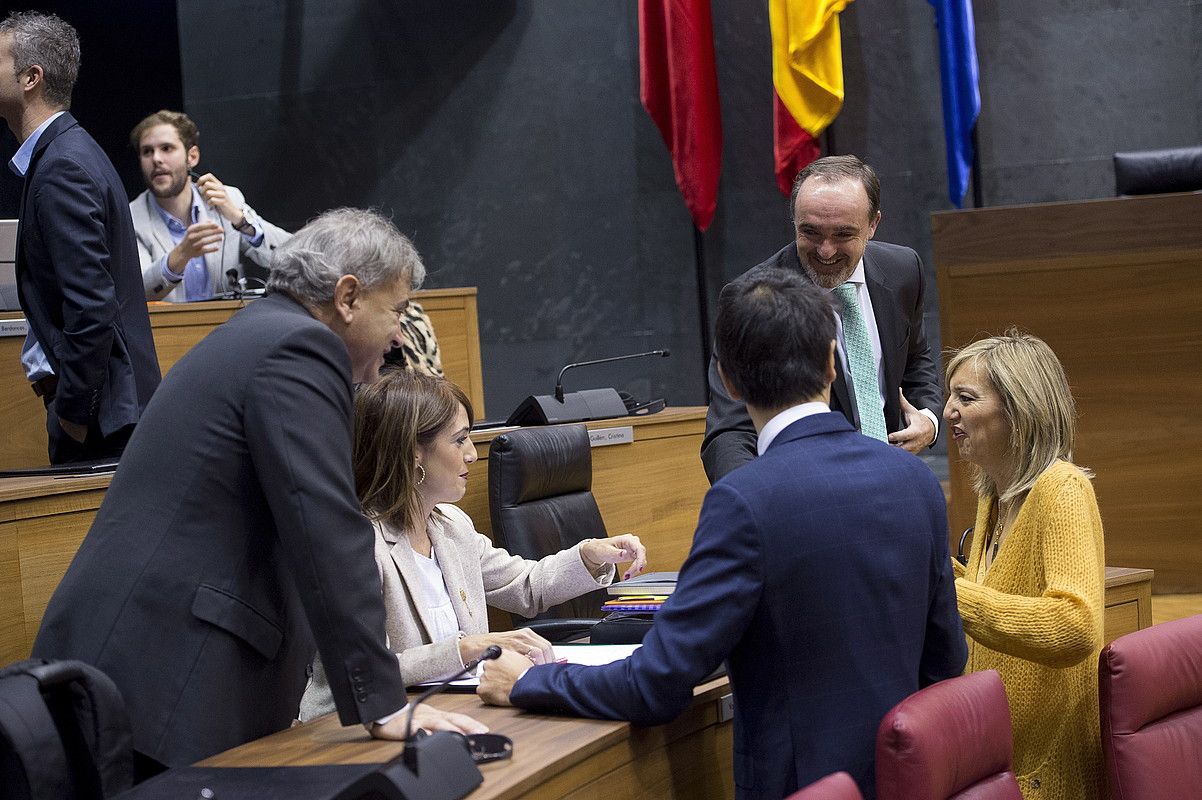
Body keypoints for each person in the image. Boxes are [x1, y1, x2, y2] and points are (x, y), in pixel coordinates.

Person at [478, 268, 967, 800]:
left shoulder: (744, 501)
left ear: (727, 381)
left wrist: (529, 681)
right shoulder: (915, 480)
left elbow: (655, 684)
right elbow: (945, 660)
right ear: (832, 362)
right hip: (911, 781)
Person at [33, 208, 484, 774]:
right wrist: (383, 703)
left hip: (143, 666)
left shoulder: (261, 334)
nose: (401, 332)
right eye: (395, 310)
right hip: (168, 676)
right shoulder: (299, 349)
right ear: (347, 297)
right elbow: (327, 528)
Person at [298, 369, 647, 720]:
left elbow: (526, 587)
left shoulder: (453, 527)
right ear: (413, 451)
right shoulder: (357, 542)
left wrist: (589, 556)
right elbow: (367, 669)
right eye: (459, 440)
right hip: (356, 728)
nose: (472, 455)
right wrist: (468, 648)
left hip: (450, 712)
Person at [701, 154, 941, 483]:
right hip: (805, 495)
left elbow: (916, 359)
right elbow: (729, 432)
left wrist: (928, 418)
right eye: (811, 233)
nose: (826, 251)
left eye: (843, 235)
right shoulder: (752, 299)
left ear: (873, 225)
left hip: (892, 481)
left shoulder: (903, 270)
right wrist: (756, 501)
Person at [944, 331, 1104, 800]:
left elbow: (1075, 625)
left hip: (1045, 776)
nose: (948, 410)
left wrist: (951, 595)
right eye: (949, 394)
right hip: (996, 759)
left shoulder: (1062, 491)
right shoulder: (992, 493)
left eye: (966, 398)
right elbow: (993, 596)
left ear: (1019, 412)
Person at [0, 11, 159, 464]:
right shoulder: (68, 151)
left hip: (102, 424)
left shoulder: (62, 166)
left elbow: (91, 307)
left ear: (31, 77)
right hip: (106, 417)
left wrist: (73, 414)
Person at [129, 109, 291, 302]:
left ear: (192, 157)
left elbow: (293, 258)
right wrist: (181, 254)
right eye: (147, 151)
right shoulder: (131, 217)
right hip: (169, 331)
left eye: (167, 148)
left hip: (229, 328)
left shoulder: (227, 199)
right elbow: (138, 293)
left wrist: (240, 220)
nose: (156, 159)